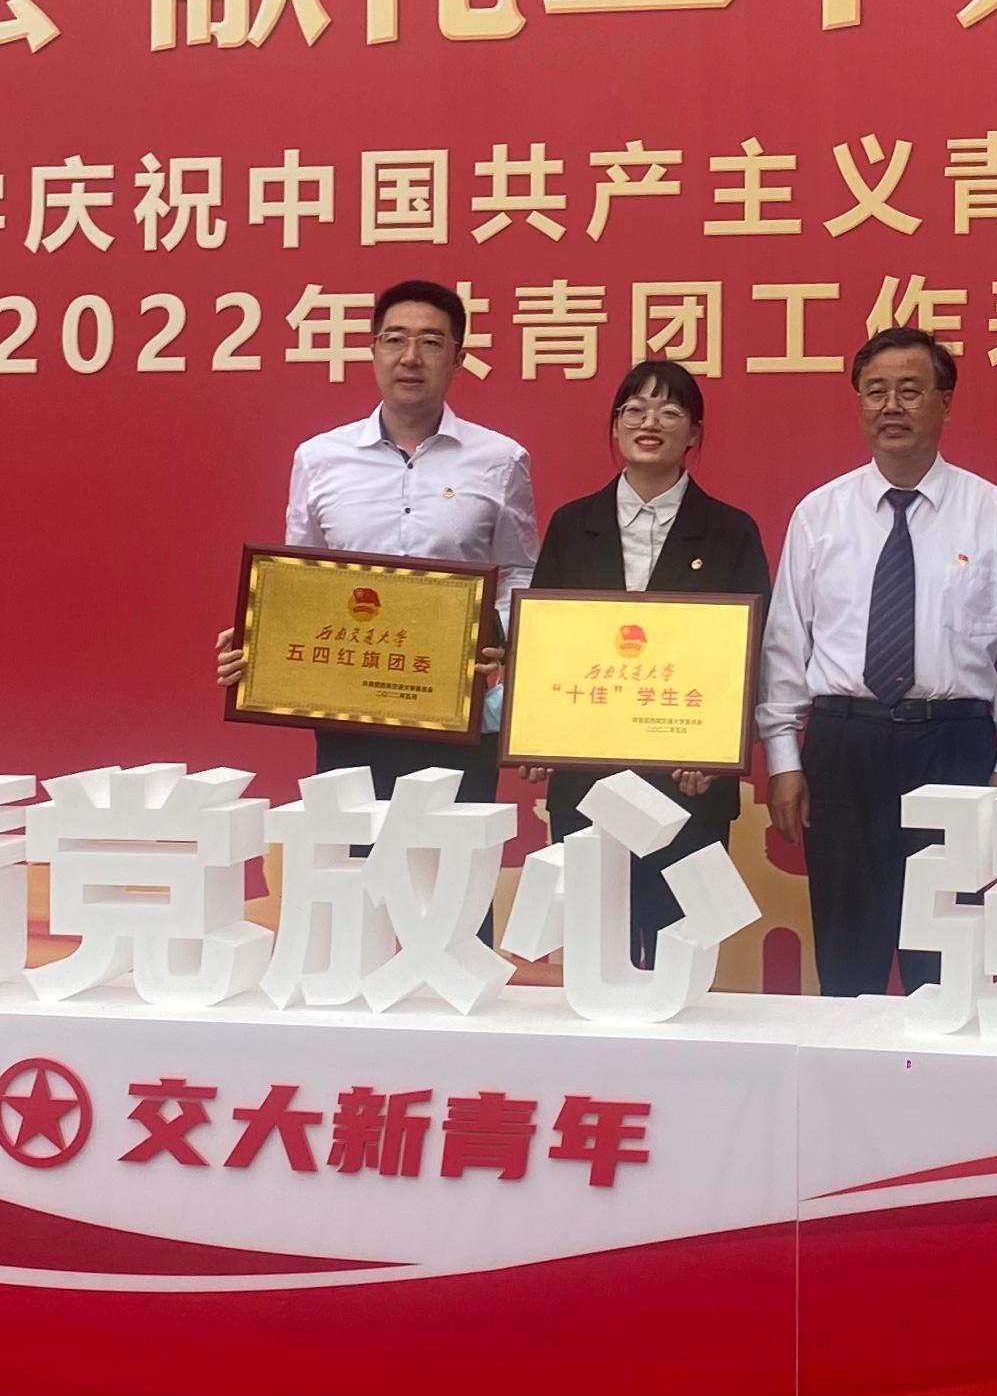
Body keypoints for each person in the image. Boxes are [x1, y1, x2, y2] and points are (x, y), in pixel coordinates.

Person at [757, 327, 997, 997]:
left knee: (946, 963)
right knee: (847, 958)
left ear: (945, 403)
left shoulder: (994, 513)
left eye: (910, 391)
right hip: (843, 746)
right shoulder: (820, 514)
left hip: (954, 747)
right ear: (857, 403)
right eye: (875, 391)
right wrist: (784, 760)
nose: (891, 406)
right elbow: (786, 644)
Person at [213, 279, 536, 806]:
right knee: (354, 851)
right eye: (395, 339)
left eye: (431, 342)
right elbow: (300, 579)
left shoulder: (500, 459)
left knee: (454, 853)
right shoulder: (320, 458)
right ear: (373, 351)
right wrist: (262, 638)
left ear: (458, 359)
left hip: (454, 704)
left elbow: (519, 570)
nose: (410, 357)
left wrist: (493, 639)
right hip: (348, 705)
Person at [533, 358, 773, 953]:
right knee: (596, 948)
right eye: (634, 410)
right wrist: (536, 734)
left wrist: (717, 751)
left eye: (669, 411)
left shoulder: (732, 532)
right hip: (588, 777)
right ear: (615, 426)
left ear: (694, 432)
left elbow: (749, 655)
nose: (649, 422)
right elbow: (547, 647)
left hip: (688, 781)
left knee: (679, 951)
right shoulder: (571, 526)